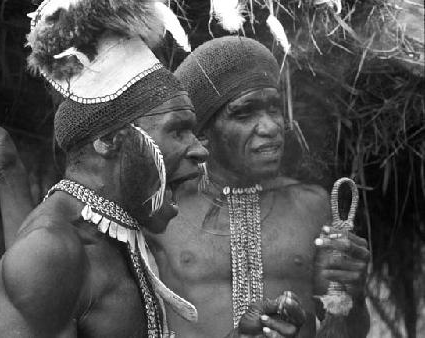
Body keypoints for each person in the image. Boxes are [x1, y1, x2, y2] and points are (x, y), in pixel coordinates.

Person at [0, 2, 307, 338]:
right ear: (110, 141)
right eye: (177, 130)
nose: (200, 150)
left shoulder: (117, 237)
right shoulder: (51, 254)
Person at [141, 36, 370, 337]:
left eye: (274, 109)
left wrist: (350, 295)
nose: (271, 127)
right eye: (245, 112)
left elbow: (346, 331)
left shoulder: (313, 206)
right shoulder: (161, 213)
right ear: (204, 131)